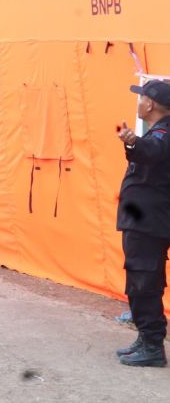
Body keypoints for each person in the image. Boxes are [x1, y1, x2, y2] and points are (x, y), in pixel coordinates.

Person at [116, 79, 170, 367]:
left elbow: (153, 153)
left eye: (141, 98)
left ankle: (152, 345)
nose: (138, 102)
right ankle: (146, 338)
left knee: (144, 283)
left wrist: (133, 141)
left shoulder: (162, 135)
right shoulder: (158, 133)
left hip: (148, 224)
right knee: (141, 282)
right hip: (146, 221)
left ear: (149, 104)